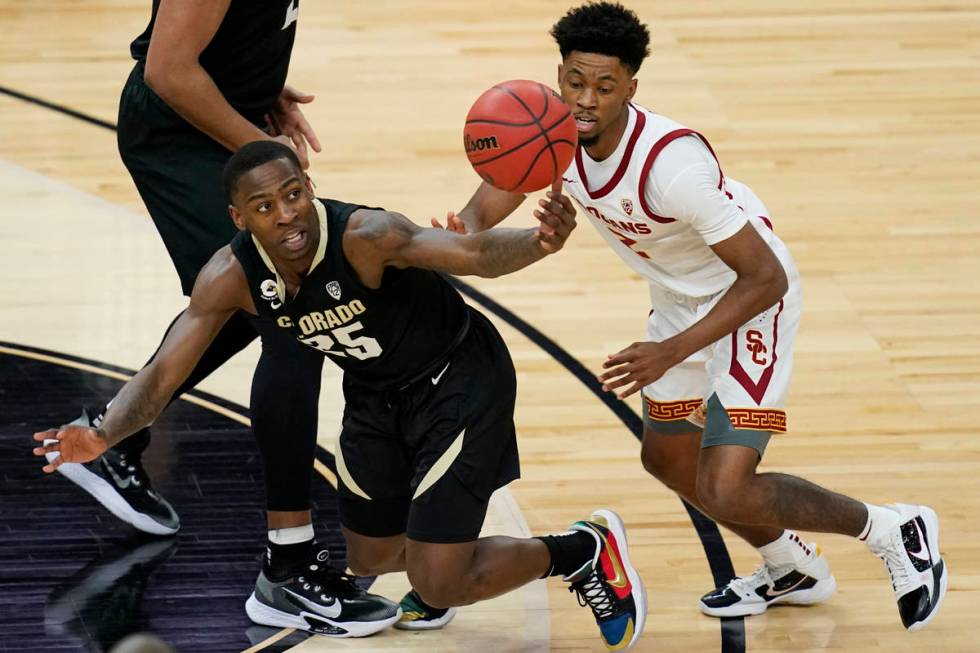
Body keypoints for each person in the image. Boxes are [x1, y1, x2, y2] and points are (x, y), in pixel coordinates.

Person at [433, 1, 947, 633]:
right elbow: (493, 197)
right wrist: (465, 230)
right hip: (680, 301)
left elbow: (766, 276)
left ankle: (893, 528)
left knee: (728, 484)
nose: (586, 100)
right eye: (574, 81)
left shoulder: (673, 167)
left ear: (631, 88)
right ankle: (790, 568)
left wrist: (671, 349)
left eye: (605, 86)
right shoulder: (555, 130)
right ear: (559, 74)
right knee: (668, 460)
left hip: (750, 300)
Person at [35, 141, 648, 650]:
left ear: (309, 185)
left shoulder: (364, 234)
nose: (287, 215)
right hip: (375, 394)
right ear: (240, 218)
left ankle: (579, 550)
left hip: (458, 380)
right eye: (265, 206)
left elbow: (472, 253)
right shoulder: (229, 275)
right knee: (372, 558)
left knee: (438, 581)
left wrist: (538, 242)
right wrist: (105, 432)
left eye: (294, 194)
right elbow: (165, 371)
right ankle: (446, 564)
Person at [48, 0, 370, 630]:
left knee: (249, 306)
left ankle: (112, 437)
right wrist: (263, 148)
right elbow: (169, 69)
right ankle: (288, 565)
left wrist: (256, 81)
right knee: (276, 307)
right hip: (175, 135)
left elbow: (220, 33)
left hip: (221, 121)